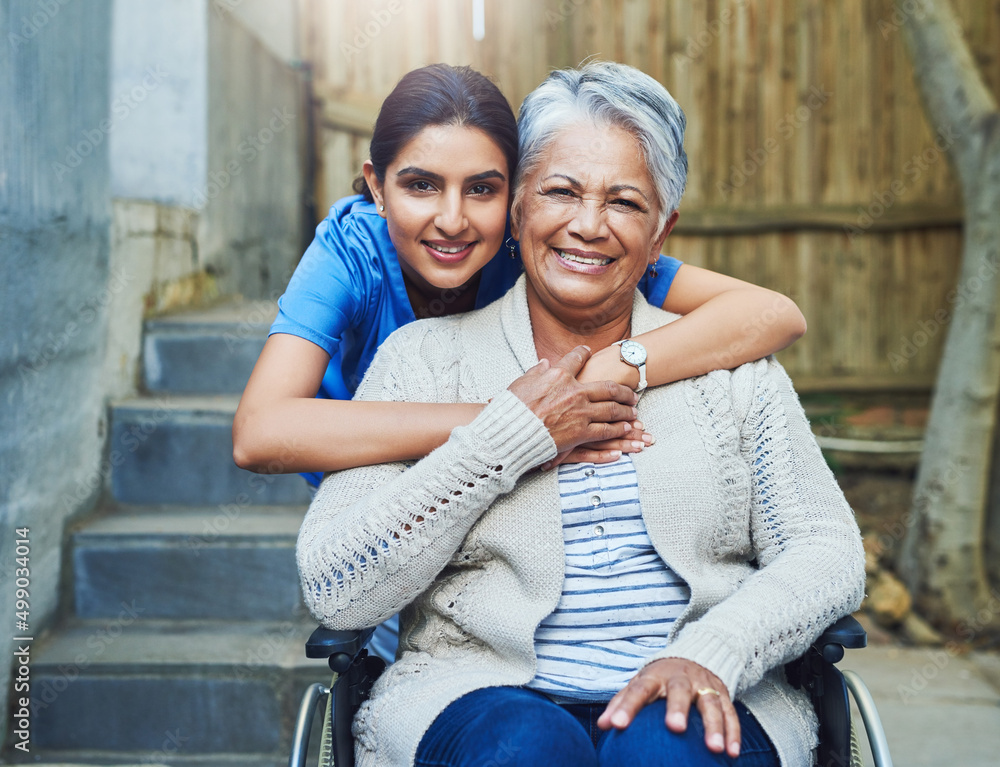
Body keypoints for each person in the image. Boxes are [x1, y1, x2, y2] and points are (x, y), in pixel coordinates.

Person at [296, 61, 865, 767]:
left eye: (624, 202)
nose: (588, 225)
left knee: (668, 745)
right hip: (474, 693)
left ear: (661, 232)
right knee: (525, 748)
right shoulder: (420, 359)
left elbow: (827, 549)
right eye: (561, 191)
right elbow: (335, 587)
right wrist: (506, 439)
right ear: (519, 208)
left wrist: (714, 651)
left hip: (708, 690)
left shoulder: (736, 372)